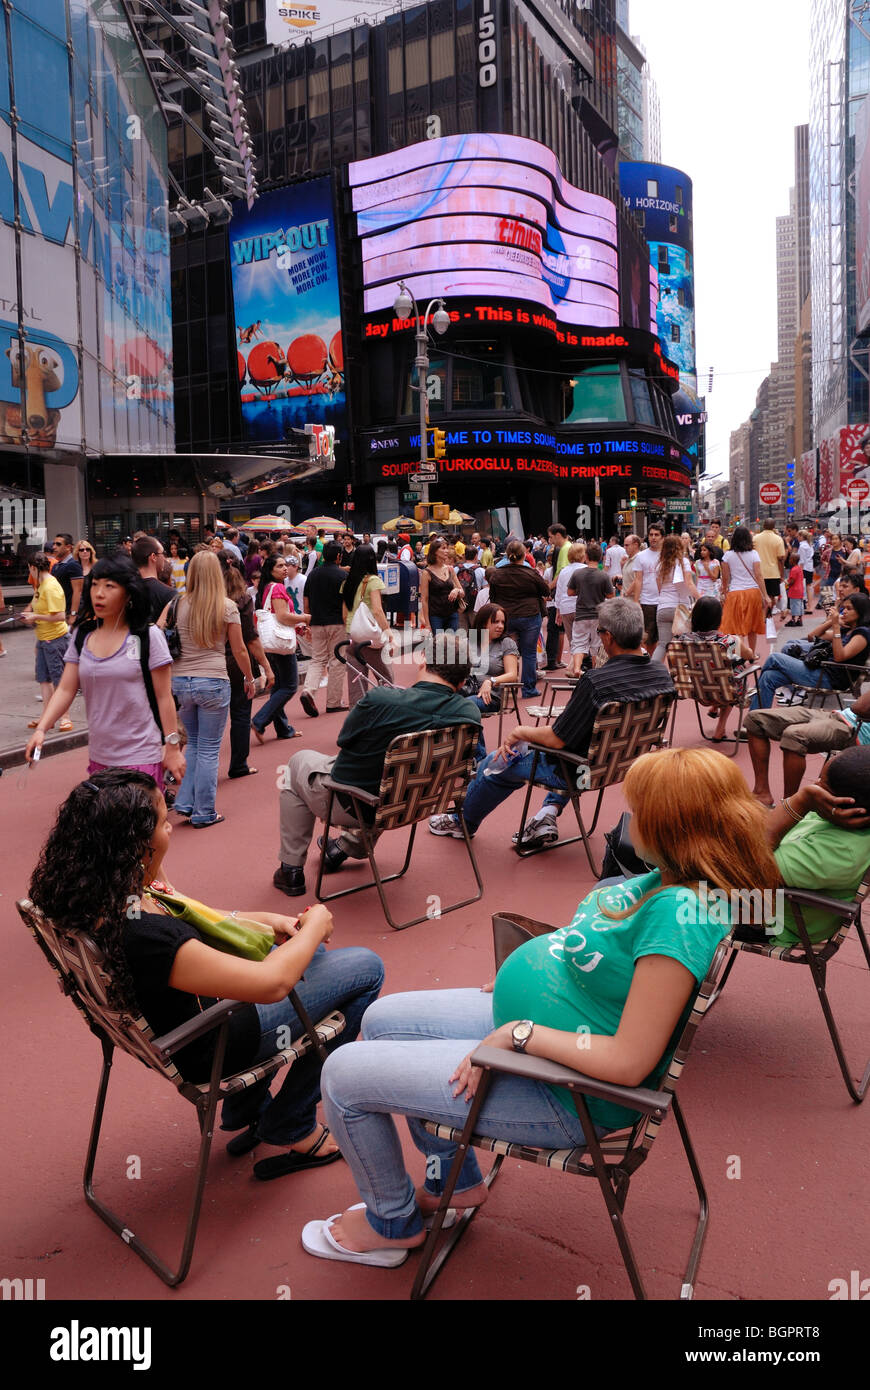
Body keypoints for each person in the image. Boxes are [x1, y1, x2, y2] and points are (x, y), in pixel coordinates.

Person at [303, 746, 780, 1264]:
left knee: (344, 1075)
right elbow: (610, 956)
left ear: (670, 826)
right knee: (381, 1019)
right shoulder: (671, 875)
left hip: (571, 1093)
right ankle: (454, 1184)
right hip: (557, 1025)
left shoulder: (680, 915)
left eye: (638, 810)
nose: (629, 818)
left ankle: (390, 1224)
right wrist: (535, 970)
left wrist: (519, 1033)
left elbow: (629, 1060)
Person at [29, 770, 384, 1182]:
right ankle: (293, 1121)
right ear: (137, 845)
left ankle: (249, 1109)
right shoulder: (146, 934)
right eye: (164, 821)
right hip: (214, 1041)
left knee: (309, 954)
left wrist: (272, 922)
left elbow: (199, 921)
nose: (170, 827)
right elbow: (272, 985)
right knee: (365, 968)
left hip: (175, 1022)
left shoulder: (99, 894)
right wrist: (318, 921)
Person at [429, 597, 674, 850]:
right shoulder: (662, 675)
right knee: (579, 744)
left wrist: (520, 731)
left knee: (496, 764)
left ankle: (463, 822)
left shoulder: (597, 682)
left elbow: (557, 739)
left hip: (581, 772)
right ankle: (548, 812)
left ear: (609, 637)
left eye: (600, 632)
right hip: (626, 766)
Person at [273, 632, 482, 897]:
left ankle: (291, 870)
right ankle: (347, 846)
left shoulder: (381, 700)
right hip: (417, 801)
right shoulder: (469, 714)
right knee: (393, 773)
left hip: (357, 804)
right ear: (463, 680)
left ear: (423, 660)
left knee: (296, 764)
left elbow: (345, 740)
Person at [25, 555, 184, 785]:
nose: (99, 593)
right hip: (100, 757)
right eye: (96, 584)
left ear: (128, 593)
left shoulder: (147, 636)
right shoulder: (82, 635)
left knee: (139, 820)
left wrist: (172, 747)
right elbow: (66, 689)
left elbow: (163, 697)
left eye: (109, 586)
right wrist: (42, 729)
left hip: (141, 755)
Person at [161, 550, 255, 826]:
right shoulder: (226, 606)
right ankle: (204, 811)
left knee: (195, 743)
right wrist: (249, 678)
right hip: (213, 679)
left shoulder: (177, 603)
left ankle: (187, 802)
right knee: (210, 749)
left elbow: (157, 631)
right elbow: (238, 648)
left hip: (181, 680)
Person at [751, 747, 870, 947]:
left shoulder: (840, 851)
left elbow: (746, 865)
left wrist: (801, 801)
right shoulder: (833, 816)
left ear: (847, 806)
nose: (814, 786)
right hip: (770, 896)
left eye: (822, 786)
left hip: (772, 919)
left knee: (684, 895)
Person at [746, 687, 870, 807]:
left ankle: (790, 805)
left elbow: (859, 708)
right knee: (755, 719)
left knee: (795, 735)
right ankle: (762, 792)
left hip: (855, 730)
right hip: (838, 715)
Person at [749, 592, 870, 710]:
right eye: (844, 608)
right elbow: (813, 636)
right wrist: (831, 623)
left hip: (829, 678)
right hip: (820, 670)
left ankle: (750, 697)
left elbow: (839, 657)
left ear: (860, 612)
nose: (844, 612)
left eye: (849, 608)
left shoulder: (862, 634)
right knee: (769, 677)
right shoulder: (847, 630)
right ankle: (755, 723)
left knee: (774, 658)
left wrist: (836, 627)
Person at [218, 551, 273, 780]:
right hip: (237, 662)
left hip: (212, 662)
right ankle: (239, 763)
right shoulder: (242, 600)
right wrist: (265, 667)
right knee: (240, 714)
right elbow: (250, 639)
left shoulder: (205, 601)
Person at [673, 595, 754, 741]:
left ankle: (715, 708)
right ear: (718, 618)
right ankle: (720, 728)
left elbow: (678, 661)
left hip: (697, 690)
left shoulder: (682, 640)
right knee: (732, 675)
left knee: (719, 674)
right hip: (726, 692)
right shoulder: (729, 641)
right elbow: (749, 655)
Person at [251, 555, 308, 742]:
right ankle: (259, 720)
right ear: (271, 570)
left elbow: (279, 616)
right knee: (290, 686)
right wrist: (305, 618)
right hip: (281, 644)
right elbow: (283, 616)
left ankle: (283, 728)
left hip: (272, 642)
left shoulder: (267, 588)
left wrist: (298, 625)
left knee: (279, 687)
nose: (285, 568)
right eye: (280, 565)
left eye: (286, 565)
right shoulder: (277, 588)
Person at [488, 539, 551, 698]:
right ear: (524, 555)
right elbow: (545, 591)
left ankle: (503, 687)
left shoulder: (497, 574)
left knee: (504, 651)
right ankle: (528, 689)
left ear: (507, 555)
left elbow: (492, 596)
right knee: (529, 653)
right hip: (529, 615)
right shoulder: (530, 573)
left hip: (506, 616)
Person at [21, 554, 74, 731]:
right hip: (44, 638)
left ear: (34, 568)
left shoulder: (50, 586)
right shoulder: (42, 585)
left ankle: (65, 717)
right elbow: (35, 603)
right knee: (44, 679)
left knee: (59, 681)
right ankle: (48, 716)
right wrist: (28, 612)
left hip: (55, 639)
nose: (29, 572)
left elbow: (59, 616)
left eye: (29, 569)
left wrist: (35, 616)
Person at [466, 604, 520, 759]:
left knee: (466, 707)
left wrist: (491, 681)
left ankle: (480, 759)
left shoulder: (506, 643)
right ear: (483, 622)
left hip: (491, 697)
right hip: (466, 691)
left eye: (503, 622)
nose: (500, 626)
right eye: (496, 622)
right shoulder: (469, 641)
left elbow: (512, 675)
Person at [301, 541, 347, 716]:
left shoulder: (312, 575)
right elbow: (345, 604)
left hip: (316, 621)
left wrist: (308, 623)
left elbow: (306, 602)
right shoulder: (342, 576)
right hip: (337, 622)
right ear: (338, 556)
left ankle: (308, 691)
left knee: (317, 659)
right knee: (337, 660)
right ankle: (333, 702)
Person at [342, 544, 392, 708]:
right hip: (370, 637)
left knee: (356, 681)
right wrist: (388, 632)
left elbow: (344, 613)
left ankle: (356, 718)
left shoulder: (347, 581)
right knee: (386, 678)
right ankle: (386, 710)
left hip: (352, 635)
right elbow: (377, 610)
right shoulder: (373, 581)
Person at [719, 525, 770, 658]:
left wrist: (724, 592)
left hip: (735, 593)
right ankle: (751, 654)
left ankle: (736, 654)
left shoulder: (727, 556)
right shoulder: (754, 554)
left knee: (733, 627)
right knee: (752, 627)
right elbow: (759, 576)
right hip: (753, 593)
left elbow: (725, 578)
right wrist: (765, 595)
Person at [648, 533, 699, 663]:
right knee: (685, 645)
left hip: (663, 608)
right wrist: (699, 598)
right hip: (680, 608)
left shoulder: (659, 565)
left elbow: (659, 587)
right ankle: (684, 676)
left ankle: (653, 673)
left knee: (662, 645)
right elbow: (689, 582)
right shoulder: (683, 562)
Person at [567, 542, 614, 674]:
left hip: (581, 614)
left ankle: (576, 668)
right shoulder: (603, 575)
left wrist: (581, 591)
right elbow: (610, 595)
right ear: (600, 558)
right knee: (596, 644)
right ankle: (595, 671)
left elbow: (569, 592)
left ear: (586, 556)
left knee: (578, 642)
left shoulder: (577, 574)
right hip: (598, 615)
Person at [626, 524, 664, 649]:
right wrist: (636, 601)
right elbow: (638, 580)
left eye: (656, 535)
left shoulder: (667, 555)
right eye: (651, 535)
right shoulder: (641, 556)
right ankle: (650, 663)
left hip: (665, 601)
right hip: (647, 601)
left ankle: (655, 664)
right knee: (647, 637)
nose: (653, 537)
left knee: (663, 639)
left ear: (662, 537)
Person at [419, 535, 464, 634]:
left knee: (451, 645)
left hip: (452, 614)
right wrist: (427, 624)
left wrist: (456, 590)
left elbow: (462, 592)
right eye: (443, 548)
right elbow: (424, 599)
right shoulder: (426, 573)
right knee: (439, 646)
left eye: (447, 548)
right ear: (435, 551)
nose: (447, 551)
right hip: (435, 616)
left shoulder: (450, 569)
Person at [553, 541, 586, 656]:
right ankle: (581, 665)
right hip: (582, 607)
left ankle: (574, 663)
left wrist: (558, 610)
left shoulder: (564, 571)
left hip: (566, 608)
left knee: (572, 640)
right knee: (583, 639)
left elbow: (559, 592)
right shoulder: (586, 569)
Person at [132, 536, 176, 623]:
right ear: (153, 557)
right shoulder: (169, 594)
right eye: (162, 553)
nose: (164, 558)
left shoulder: (123, 591)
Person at [51, 533, 84, 622]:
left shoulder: (73, 565)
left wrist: (73, 614)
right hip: (60, 612)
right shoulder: (56, 566)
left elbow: (78, 591)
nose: (54, 547)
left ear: (68, 547)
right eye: (53, 544)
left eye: (58, 544)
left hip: (70, 614)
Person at [784, 551, 805, 626]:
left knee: (793, 605)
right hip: (800, 590)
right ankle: (799, 619)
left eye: (790, 559)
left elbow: (792, 581)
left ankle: (793, 619)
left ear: (792, 560)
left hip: (794, 591)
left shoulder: (793, 570)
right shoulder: (799, 568)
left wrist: (786, 582)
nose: (789, 560)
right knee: (800, 605)